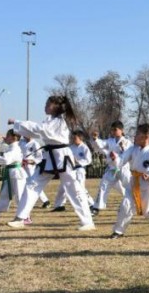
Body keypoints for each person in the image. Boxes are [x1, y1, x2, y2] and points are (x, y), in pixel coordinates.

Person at [7, 95, 96, 230]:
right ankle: (21, 217)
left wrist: (17, 122)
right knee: (32, 184)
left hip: (62, 155)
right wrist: (18, 124)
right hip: (49, 156)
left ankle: (87, 221)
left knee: (73, 187)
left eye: (48, 104)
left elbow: (40, 130)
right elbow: (39, 130)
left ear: (56, 107)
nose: (45, 106)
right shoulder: (50, 120)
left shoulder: (59, 122)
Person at [91, 121, 133, 215]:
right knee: (104, 185)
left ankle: (135, 204)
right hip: (112, 168)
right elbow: (100, 144)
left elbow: (130, 154)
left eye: (115, 129)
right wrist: (95, 139)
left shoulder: (127, 142)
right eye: (112, 130)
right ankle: (97, 207)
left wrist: (123, 148)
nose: (113, 131)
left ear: (121, 130)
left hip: (123, 168)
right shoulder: (110, 141)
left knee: (129, 187)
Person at [52, 130, 95, 211]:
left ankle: (91, 204)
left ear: (80, 138)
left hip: (79, 169)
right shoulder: (70, 147)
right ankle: (59, 206)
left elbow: (88, 160)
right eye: (73, 137)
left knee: (80, 188)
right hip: (70, 170)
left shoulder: (84, 148)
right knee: (63, 187)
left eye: (75, 138)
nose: (74, 139)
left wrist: (78, 161)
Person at [0, 129, 25, 222]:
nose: (6, 137)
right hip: (10, 172)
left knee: (20, 194)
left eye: (8, 135)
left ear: (14, 137)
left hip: (17, 173)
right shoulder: (12, 146)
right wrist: (2, 137)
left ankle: (24, 216)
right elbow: (6, 143)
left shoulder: (15, 147)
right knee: (5, 193)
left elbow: (6, 160)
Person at [20, 136, 50, 208]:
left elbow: (39, 157)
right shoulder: (21, 142)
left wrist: (32, 161)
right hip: (21, 165)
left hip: (30, 166)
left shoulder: (35, 143)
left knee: (33, 183)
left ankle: (45, 201)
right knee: (21, 183)